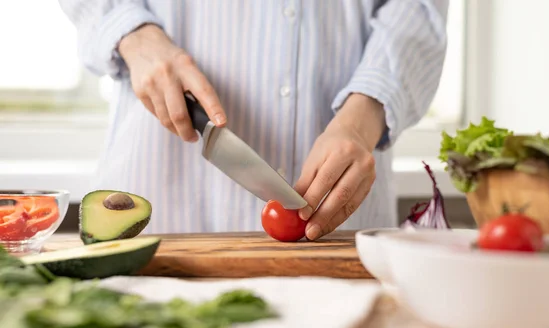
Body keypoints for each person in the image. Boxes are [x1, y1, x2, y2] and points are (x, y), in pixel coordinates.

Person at [58, 1, 448, 240]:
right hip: (162, 185)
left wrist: (363, 116)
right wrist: (133, 34)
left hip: (341, 206)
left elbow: (416, 8)